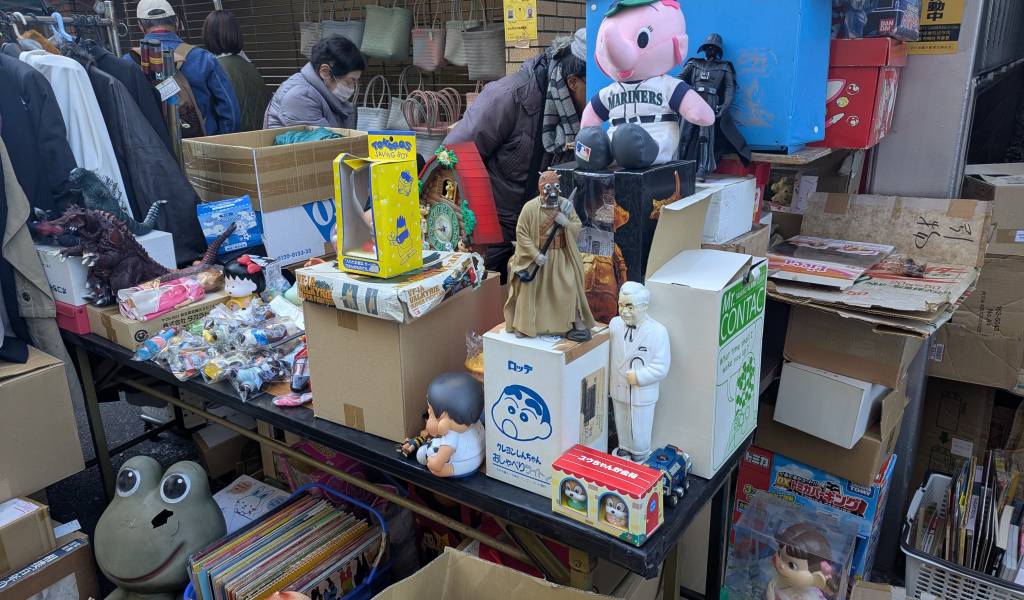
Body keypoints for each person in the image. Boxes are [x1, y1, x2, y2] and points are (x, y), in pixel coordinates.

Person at [443, 29, 587, 277]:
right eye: (594, 84)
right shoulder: (509, 96)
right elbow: (455, 154)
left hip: (541, 236)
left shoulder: (581, 113)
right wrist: (481, 234)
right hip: (492, 237)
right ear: (573, 82)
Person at [131, 0, 241, 135]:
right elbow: (230, 109)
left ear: (140, 26)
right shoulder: (202, 58)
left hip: (155, 145)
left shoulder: (130, 61)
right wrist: (220, 141)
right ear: (176, 21)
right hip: (202, 143)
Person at [264, 36, 365, 129]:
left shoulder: (324, 92)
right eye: (349, 81)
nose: (352, 88)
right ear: (325, 72)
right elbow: (327, 141)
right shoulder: (301, 97)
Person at [202, 10, 271, 132]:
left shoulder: (214, 69)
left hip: (235, 138)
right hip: (261, 135)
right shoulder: (249, 65)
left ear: (209, 36)